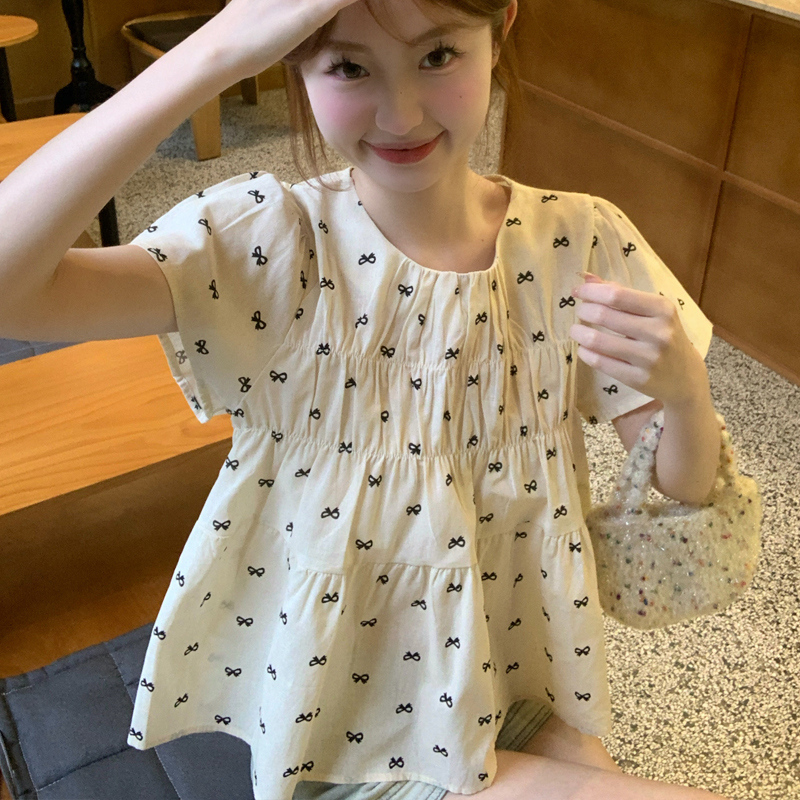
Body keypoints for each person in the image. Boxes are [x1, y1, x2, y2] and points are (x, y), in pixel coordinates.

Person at [0, 0, 731, 798]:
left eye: (438, 55)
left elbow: (683, 492)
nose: (401, 114)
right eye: (350, 67)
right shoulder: (272, 245)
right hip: (339, 726)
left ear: (501, 29)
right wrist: (214, 51)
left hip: (515, 688)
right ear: (292, 61)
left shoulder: (577, 240)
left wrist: (685, 394)